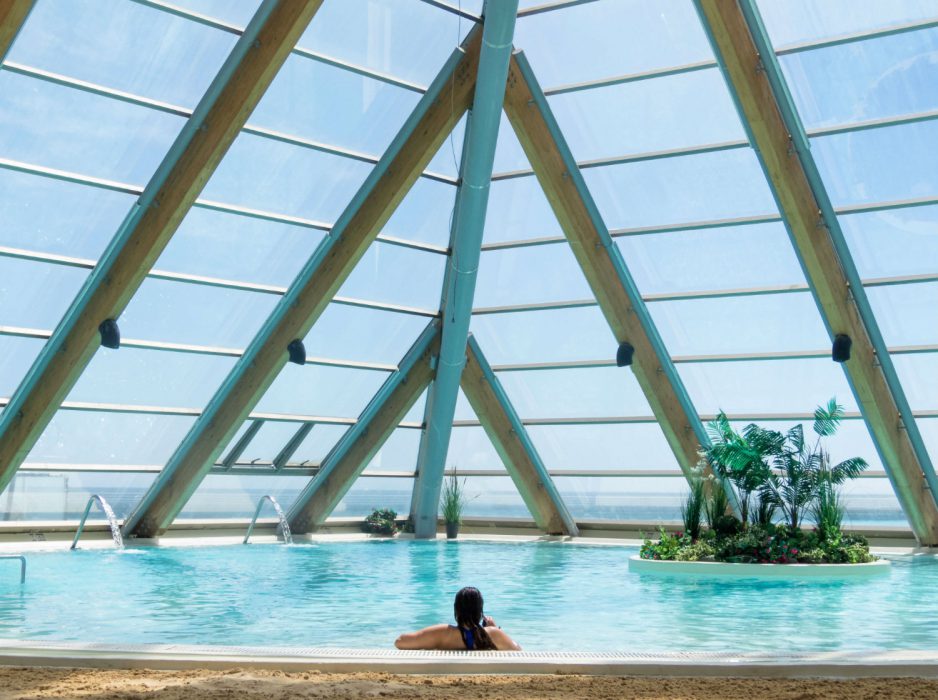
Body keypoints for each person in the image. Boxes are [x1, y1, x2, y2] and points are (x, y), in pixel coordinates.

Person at [394, 586, 521, 651]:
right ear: (479, 610)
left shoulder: (443, 632)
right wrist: (492, 628)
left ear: (457, 608)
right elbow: (518, 650)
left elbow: (400, 642)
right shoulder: (493, 634)